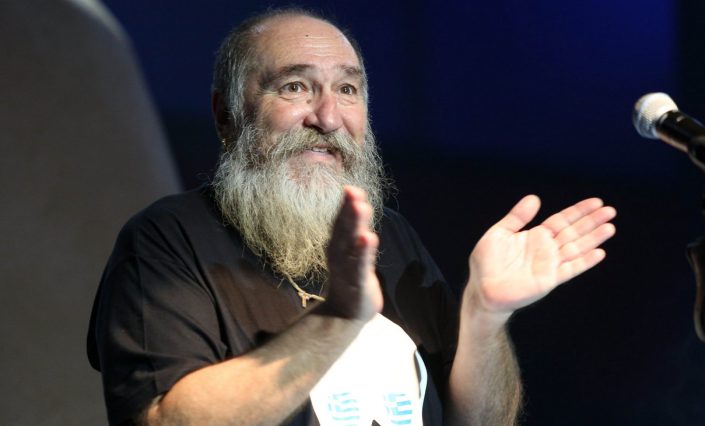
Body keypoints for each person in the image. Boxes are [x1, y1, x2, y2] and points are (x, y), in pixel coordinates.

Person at [87, 8, 617, 426]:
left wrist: (485, 315)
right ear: (226, 115)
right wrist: (337, 319)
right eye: (294, 86)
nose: (328, 117)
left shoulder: (392, 238)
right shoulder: (168, 239)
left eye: (347, 89)